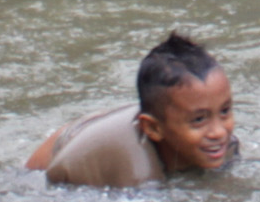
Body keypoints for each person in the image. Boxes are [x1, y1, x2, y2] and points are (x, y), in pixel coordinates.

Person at [27, 32, 239, 188]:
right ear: (153, 128)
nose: (219, 131)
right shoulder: (134, 173)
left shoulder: (222, 143)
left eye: (224, 111)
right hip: (42, 178)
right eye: (199, 120)